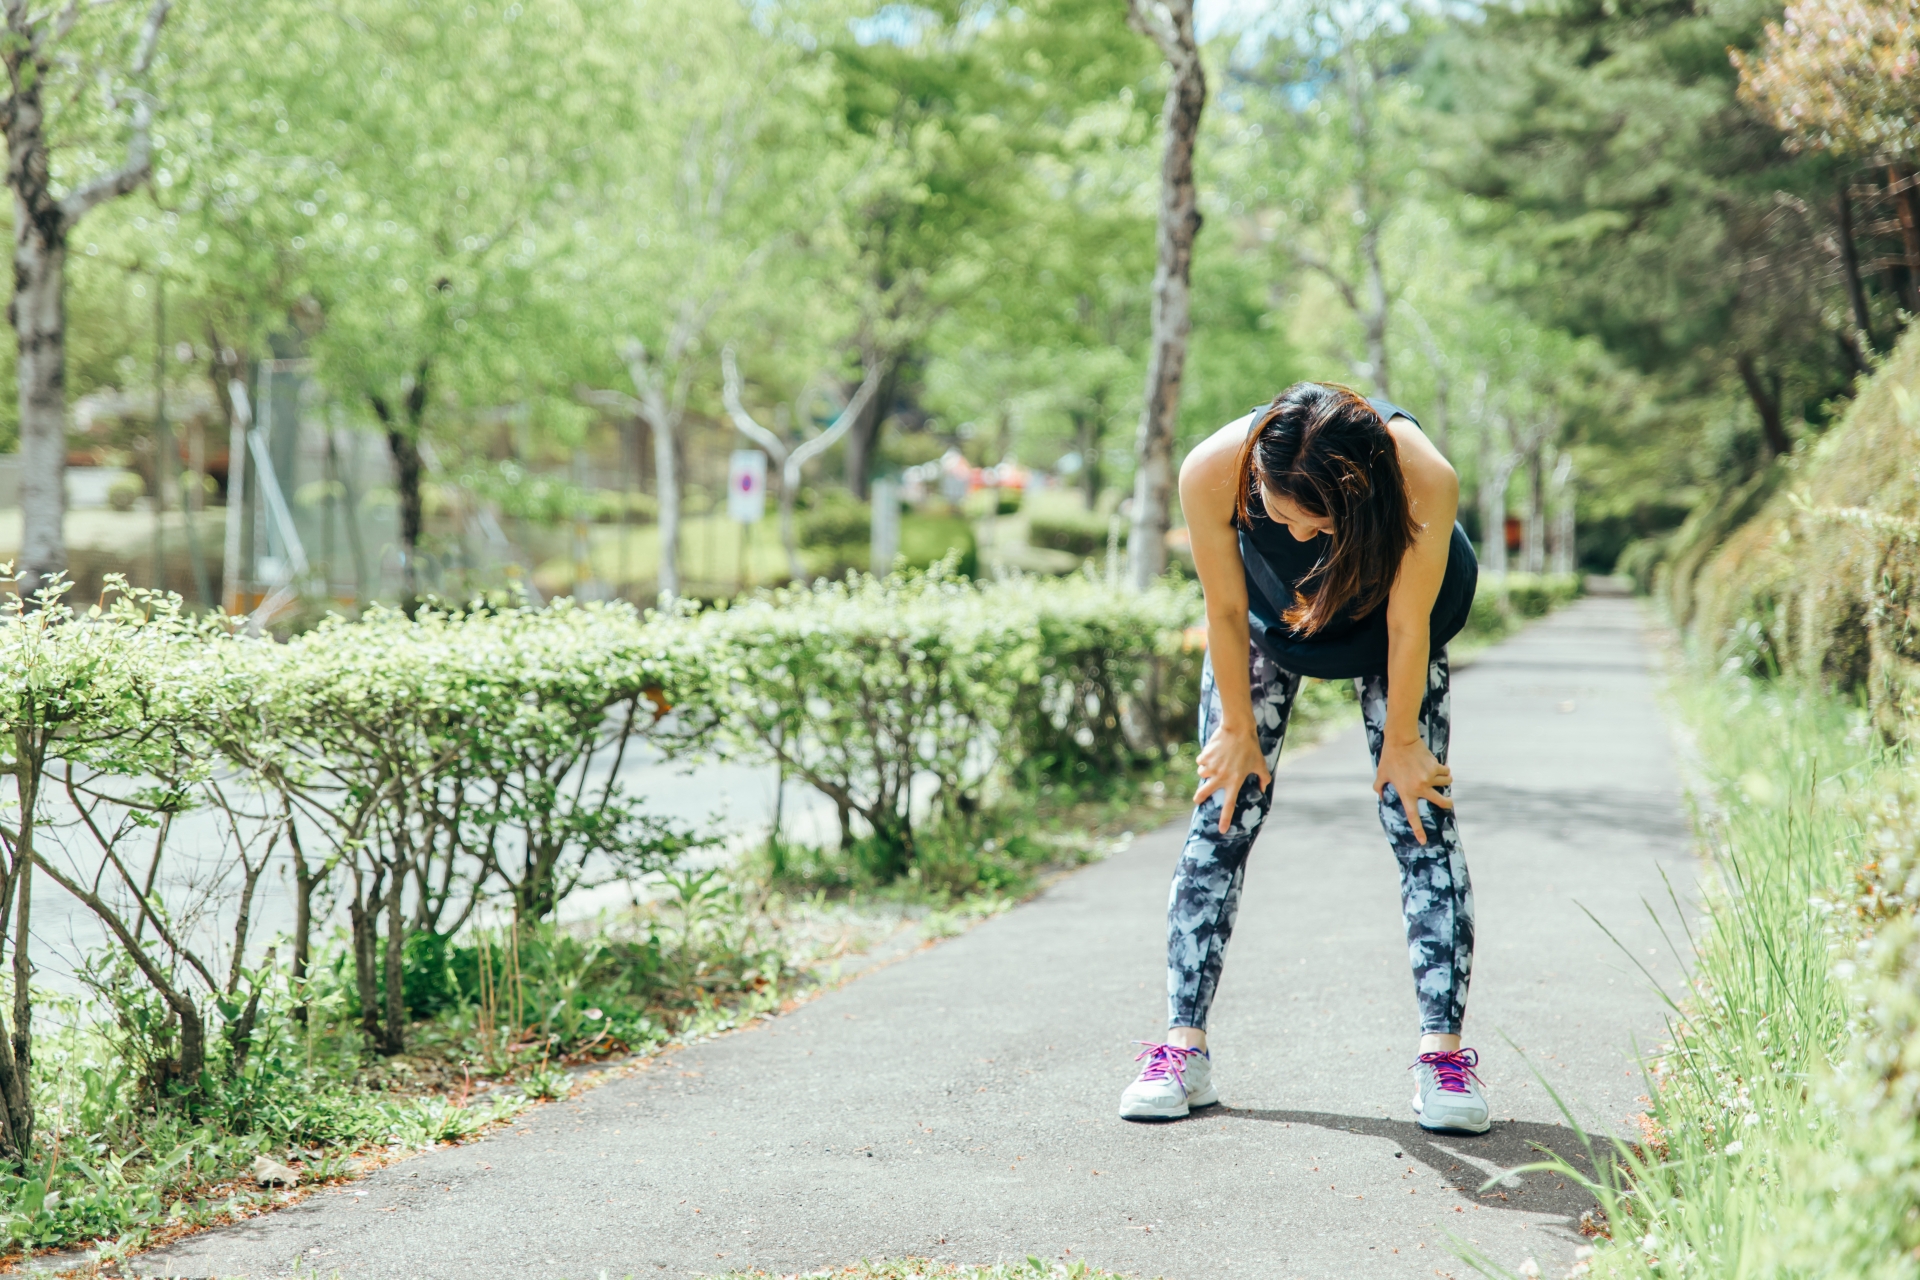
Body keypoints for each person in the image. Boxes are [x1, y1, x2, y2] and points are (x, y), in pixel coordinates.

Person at [1118, 381, 1488, 1134]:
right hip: (1267, 625)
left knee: (1419, 817)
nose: (1291, 529)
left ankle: (1443, 1061)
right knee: (1222, 811)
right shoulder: (1214, 469)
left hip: (1393, 625)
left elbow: (1408, 624)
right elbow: (1221, 611)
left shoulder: (1423, 478)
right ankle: (1181, 1048)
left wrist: (1405, 744)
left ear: (1357, 501)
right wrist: (1235, 731)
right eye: (1275, 512)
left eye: (1309, 519)